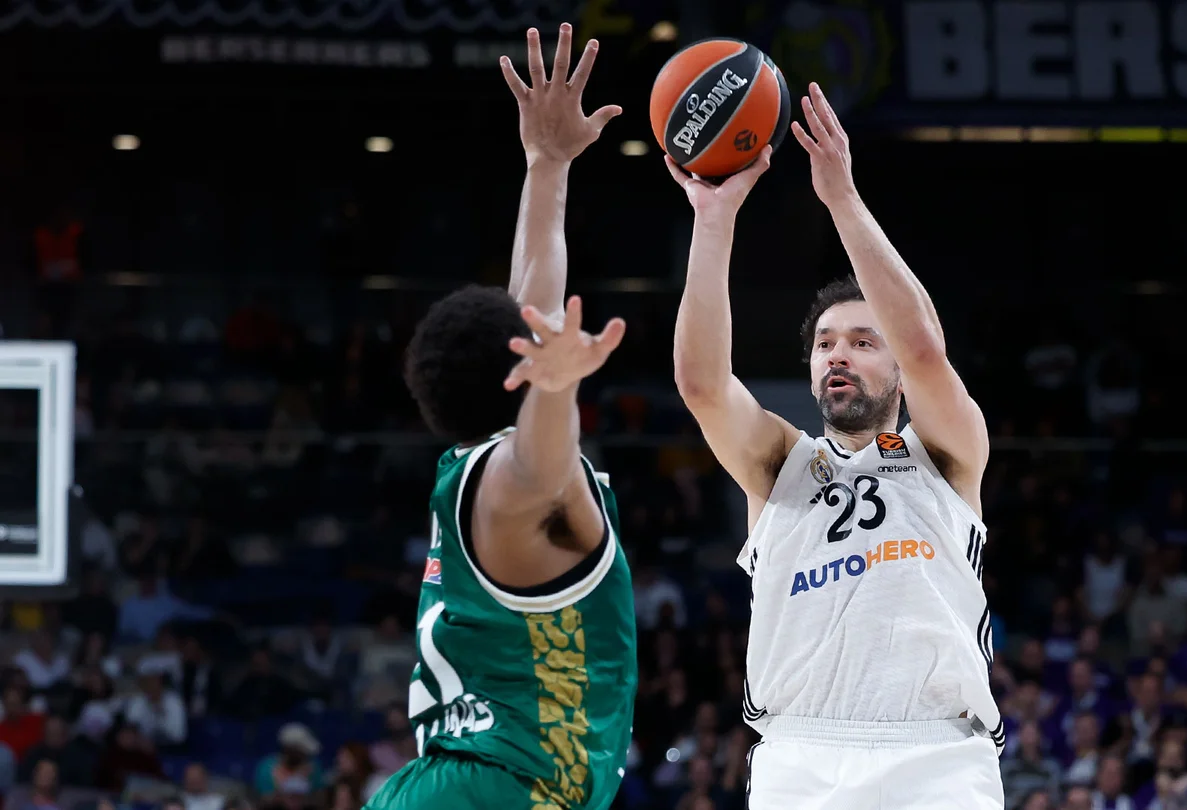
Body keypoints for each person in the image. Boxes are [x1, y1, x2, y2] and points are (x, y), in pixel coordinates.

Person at [667, 81, 1003, 809]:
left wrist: (842, 199)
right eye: (824, 344)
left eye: (860, 341)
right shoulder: (776, 465)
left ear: (897, 373)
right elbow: (700, 384)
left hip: (937, 756)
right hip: (801, 755)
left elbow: (922, 345)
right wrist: (714, 217)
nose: (838, 355)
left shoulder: (944, 455)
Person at [363, 23, 636, 810]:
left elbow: (535, 289)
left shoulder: (471, 473)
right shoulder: (511, 485)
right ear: (522, 374)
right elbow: (543, 465)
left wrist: (547, 164)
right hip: (490, 792)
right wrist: (558, 389)